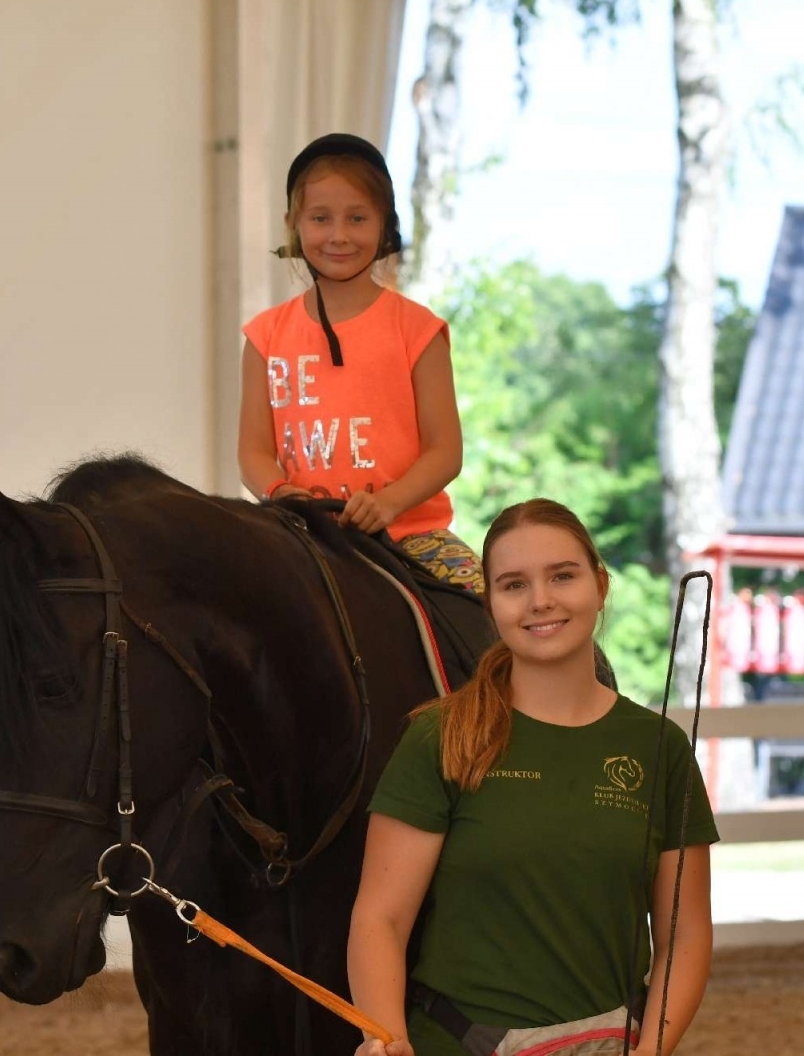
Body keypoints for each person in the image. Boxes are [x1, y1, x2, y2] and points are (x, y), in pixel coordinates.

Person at [347, 499, 717, 1056]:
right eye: (514, 585)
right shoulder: (441, 737)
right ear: (491, 603)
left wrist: (651, 1051)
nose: (540, 600)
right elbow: (381, 918)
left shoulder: (660, 749)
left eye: (562, 576)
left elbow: (684, 935)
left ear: (599, 584)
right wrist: (387, 1038)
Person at [237, 133, 481, 594]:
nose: (339, 235)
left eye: (357, 218)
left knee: (493, 610)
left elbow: (446, 451)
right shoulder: (265, 336)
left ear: (385, 225)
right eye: (320, 218)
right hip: (301, 537)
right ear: (293, 223)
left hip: (411, 535)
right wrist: (279, 492)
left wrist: (389, 503)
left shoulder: (418, 329)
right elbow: (252, 452)